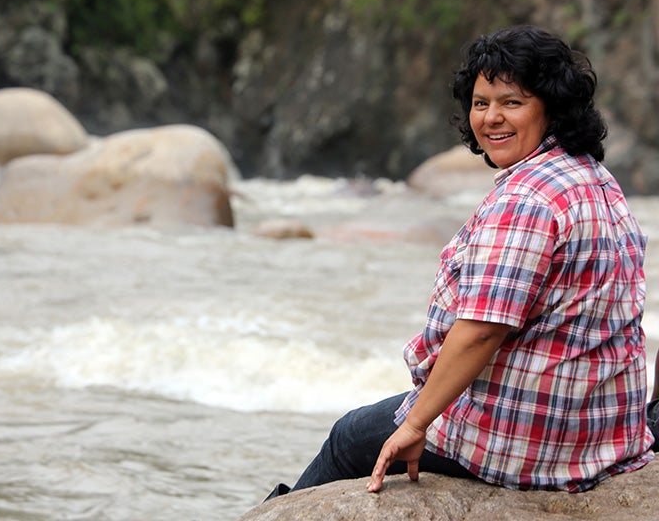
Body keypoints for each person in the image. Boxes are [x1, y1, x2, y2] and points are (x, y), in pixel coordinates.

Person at [265, 25, 654, 500]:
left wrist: (416, 422)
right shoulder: (593, 177)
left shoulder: (528, 199)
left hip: (527, 434)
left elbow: (484, 329)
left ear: (551, 107)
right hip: (597, 429)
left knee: (349, 437)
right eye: (480, 102)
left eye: (512, 102)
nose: (491, 118)